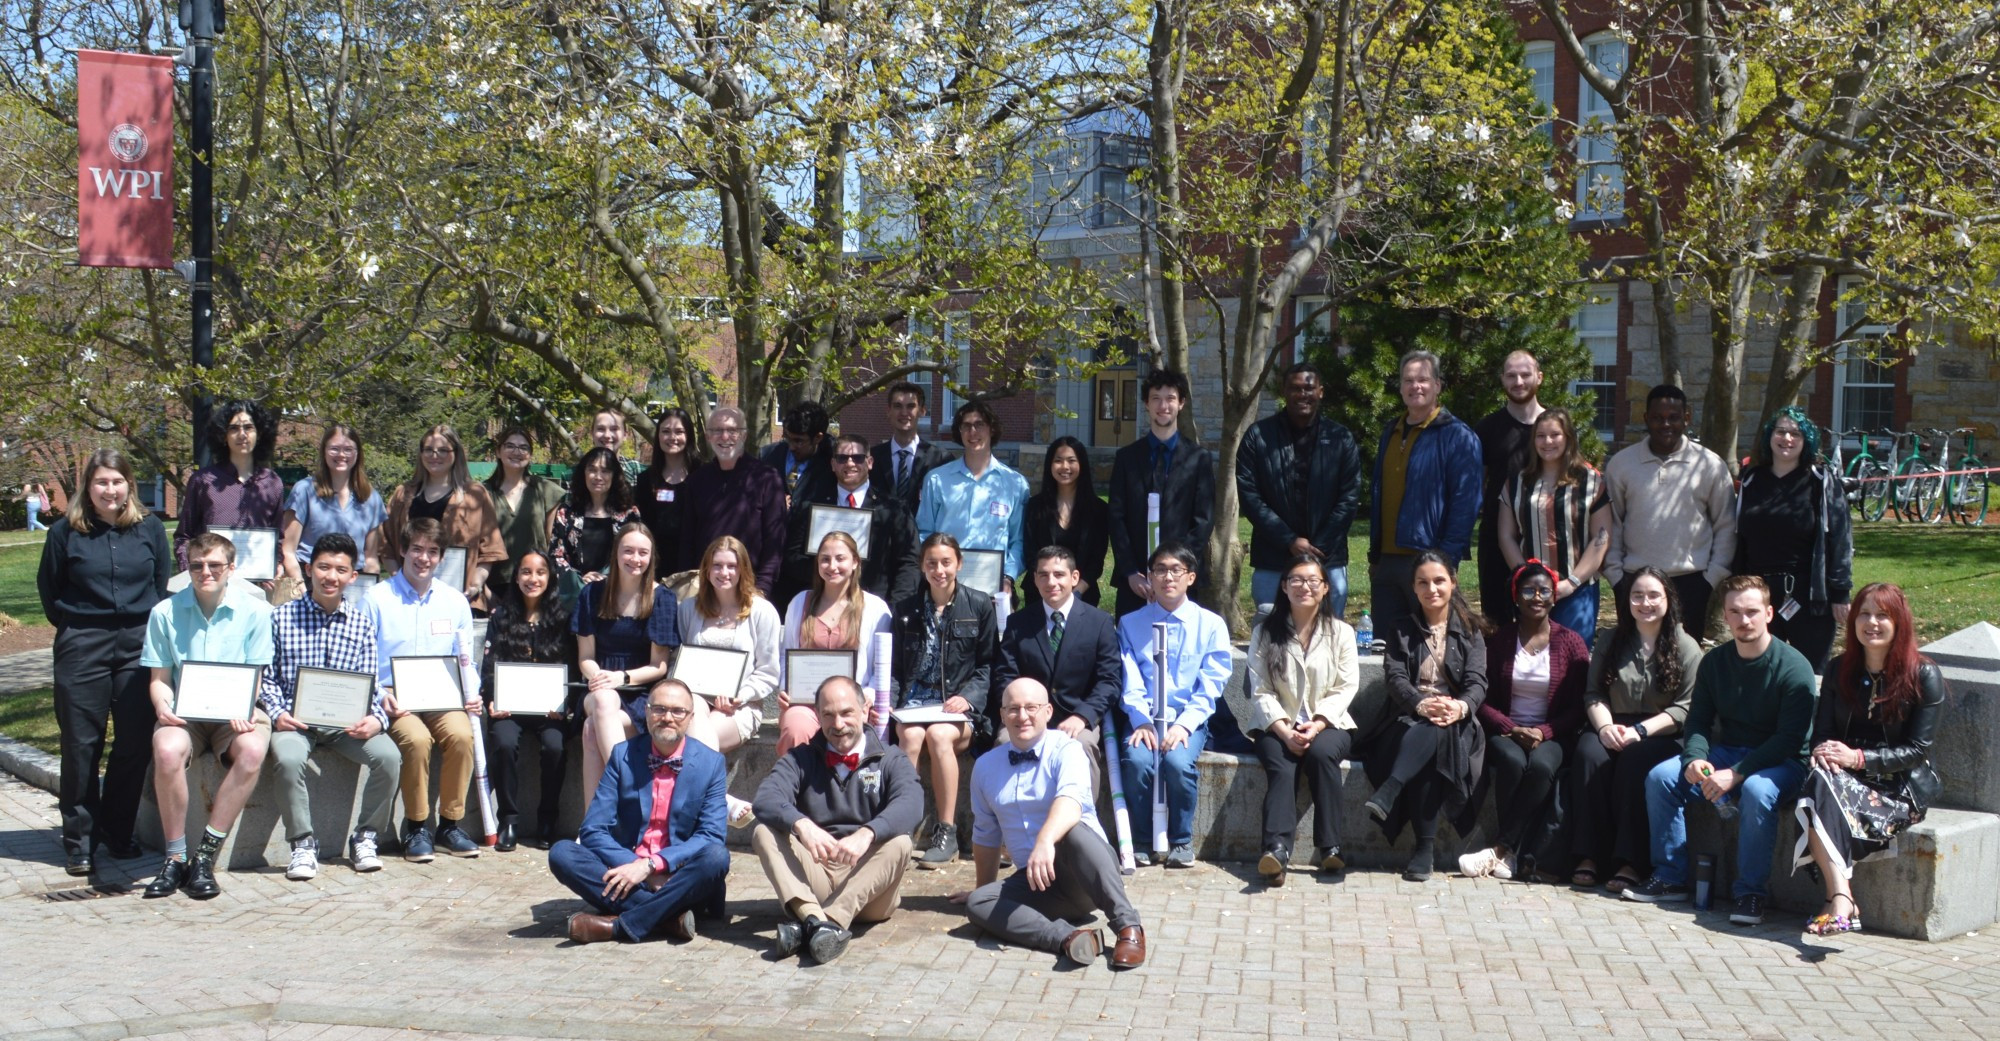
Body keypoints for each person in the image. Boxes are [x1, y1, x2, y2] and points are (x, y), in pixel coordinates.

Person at [1627, 576, 1816, 927]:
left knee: (1758, 791)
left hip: (1783, 762)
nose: (1744, 620)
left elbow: (1790, 740)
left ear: (1769, 613)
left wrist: (1738, 772)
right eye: (1735, 612)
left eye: (1752, 612)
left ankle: (1750, 893)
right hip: (1728, 752)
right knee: (1662, 778)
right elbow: (1697, 721)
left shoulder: (1794, 667)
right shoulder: (1715, 663)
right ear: (1725, 617)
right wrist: (1695, 758)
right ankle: (1670, 877)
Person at [37, 448, 172, 875]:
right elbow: (50, 590)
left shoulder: (150, 529)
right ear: (87, 487)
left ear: (128, 484)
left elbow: (159, 582)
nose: (109, 490)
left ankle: (117, 832)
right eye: (100, 482)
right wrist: (80, 627)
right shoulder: (64, 532)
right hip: (83, 643)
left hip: (137, 644)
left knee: (133, 744)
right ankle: (80, 839)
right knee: (81, 746)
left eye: (116, 481)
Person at [949, 678, 1146, 970]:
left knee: (1073, 832)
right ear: (1002, 715)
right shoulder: (986, 766)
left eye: (1031, 707)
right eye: (1013, 709)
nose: (1022, 715)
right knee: (977, 904)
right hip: (1036, 881)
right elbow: (986, 835)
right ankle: (1070, 938)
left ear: (1048, 712)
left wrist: (1045, 841)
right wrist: (985, 889)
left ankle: (1129, 927)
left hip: (1086, 875)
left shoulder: (1068, 750)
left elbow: (1070, 802)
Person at [1792, 583, 1944, 936]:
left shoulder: (1924, 675)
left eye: (1882, 615)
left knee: (1815, 794)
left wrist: (1857, 758)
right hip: (1841, 775)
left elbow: (1917, 750)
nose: (1871, 622)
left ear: (1899, 622)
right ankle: (1843, 897)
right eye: (1864, 613)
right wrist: (1823, 754)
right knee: (1818, 782)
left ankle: (1837, 900)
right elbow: (1822, 733)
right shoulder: (1837, 669)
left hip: (1898, 786)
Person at [137, 532, 275, 900]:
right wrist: (162, 706)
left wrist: (245, 708)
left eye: (215, 565)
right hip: (187, 713)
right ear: (187, 567)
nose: (205, 572)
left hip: (237, 712)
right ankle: (175, 857)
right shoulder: (164, 613)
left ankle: (204, 856)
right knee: (166, 750)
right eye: (197, 565)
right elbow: (160, 679)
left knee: (251, 751)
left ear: (231, 567)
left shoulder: (257, 612)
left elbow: (256, 676)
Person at [751, 676, 924, 964]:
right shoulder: (800, 759)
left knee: (901, 842)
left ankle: (819, 922)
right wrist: (802, 825)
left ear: (864, 711)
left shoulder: (891, 759)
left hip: (871, 888)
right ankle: (819, 924)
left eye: (846, 713)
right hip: (816, 873)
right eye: (828, 715)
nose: (838, 724)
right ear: (817, 716)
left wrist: (868, 833)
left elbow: (913, 804)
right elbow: (765, 799)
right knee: (764, 832)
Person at [260, 533, 401, 880]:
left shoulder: (361, 624)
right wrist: (278, 714)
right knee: (290, 759)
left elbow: (371, 682)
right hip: (296, 722)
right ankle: (303, 845)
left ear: (353, 576)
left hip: (346, 725)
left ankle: (366, 836)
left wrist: (377, 720)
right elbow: (267, 677)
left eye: (341, 569)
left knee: (389, 757)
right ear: (308, 570)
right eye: (323, 567)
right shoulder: (281, 619)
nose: (330, 576)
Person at [550, 679, 730, 945]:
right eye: (659, 709)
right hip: (628, 870)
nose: (667, 718)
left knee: (716, 857)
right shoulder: (623, 756)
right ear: (646, 713)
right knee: (562, 853)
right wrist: (634, 867)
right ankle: (668, 917)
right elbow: (593, 829)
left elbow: (711, 836)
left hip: (679, 875)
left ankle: (620, 927)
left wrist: (652, 867)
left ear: (690, 717)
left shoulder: (711, 763)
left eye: (677, 711)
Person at [1567, 567, 1701, 892]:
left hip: (1661, 732)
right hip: (1612, 722)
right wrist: (1604, 728)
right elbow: (1594, 692)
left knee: (1634, 761)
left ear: (1668, 599)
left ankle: (1630, 861)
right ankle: (1589, 854)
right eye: (1637, 595)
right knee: (1588, 754)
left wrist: (1640, 731)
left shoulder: (1686, 646)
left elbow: (1685, 707)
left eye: (1654, 595)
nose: (1645, 603)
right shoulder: (1611, 640)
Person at [1229, 553, 1360, 885]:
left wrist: (1317, 724)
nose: (1305, 586)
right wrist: (1284, 730)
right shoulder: (1265, 632)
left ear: (1326, 588)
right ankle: (1276, 850)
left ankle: (1331, 847)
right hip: (1276, 724)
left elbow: (1347, 686)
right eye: (1296, 580)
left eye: (1313, 580)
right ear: (1284, 587)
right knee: (1281, 763)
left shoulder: (1342, 632)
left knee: (1321, 754)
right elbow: (1259, 689)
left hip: (1330, 723)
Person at [1361, 551, 1490, 882]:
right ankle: (1424, 849)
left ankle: (1392, 790)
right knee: (1429, 736)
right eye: (1423, 583)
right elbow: (1395, 679)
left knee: (1439, 735)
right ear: (1414, 588)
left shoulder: (1471, 630)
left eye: (1439, 581)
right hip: (1406, 717)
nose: (1431, 589)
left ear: (1453, 582)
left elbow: (1477, 682)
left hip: (1457, 721)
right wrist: (1420, 704)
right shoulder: (1401, 628)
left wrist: (1458, 706)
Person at [1458, 562, 1588, 881]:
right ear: (1516, 597)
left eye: (1545, 591)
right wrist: (1510, 728)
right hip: (1507, 731)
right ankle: (1510, 855)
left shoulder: (1572, 643)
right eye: (1528, 591)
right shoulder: (1500, 641)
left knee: (1543, 766)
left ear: (1554, 598)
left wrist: (1544, 732)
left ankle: (1502, 850)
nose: (1537, 597)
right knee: (1512, 762)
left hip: (1554, 734)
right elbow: (1481, 697)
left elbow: (1580, 706)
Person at [369, 517, 485, 862]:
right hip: (394, 694)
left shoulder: (454, 601)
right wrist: (379, 694)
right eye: (417, 549)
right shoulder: (377, 598)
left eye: (432, 551)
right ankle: (417, 826)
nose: (424, 558)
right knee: (417, 741)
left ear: (441, 557)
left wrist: (471, 693)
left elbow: (467, 661)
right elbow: (362, 658)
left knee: (463, 736)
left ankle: (450, 824)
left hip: (442, 694)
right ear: (403, 550)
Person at [1117, 543, 1232, 868]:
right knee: (1138, 762)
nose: (1168, 577)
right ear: (1149, 577)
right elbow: (1129, 679)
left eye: (1176, 570)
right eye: (1160, 570)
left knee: (1179, 764)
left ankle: (1181, 840)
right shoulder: (1130, 623)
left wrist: (1184, 724)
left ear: (1190, 577)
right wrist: (1140, 720)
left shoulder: (1210, 625)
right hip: (1142, 718)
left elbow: (1212, 682)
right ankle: (1141, 840)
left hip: (1187, 719)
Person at [888, 533, 999, 869]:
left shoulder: (979, 605)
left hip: (956, 709)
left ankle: (946, 831)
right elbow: (895, 668)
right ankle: (902, 830)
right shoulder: (906, 610)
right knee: (909, 736)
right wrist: (890, 707)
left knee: (938, 734)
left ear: (959, 564)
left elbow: (989, 664)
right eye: (932, 563)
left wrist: (968, 697)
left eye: (946, 562)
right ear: (923, 566)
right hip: (914, 704)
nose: (939, 570)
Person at [1604, 385, 1737, 640]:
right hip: (1634, 581)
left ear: (1686, 418)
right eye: (1657, 417)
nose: (1666, 424)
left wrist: (1712, 577)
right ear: (1646, 419)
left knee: (1682, 665)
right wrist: (1615, 576)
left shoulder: (1709, 465)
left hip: (1691, 582)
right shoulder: (1621, 464)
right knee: (1635, 658)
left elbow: (1725, 525)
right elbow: (1613, 524)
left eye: (1673, 417)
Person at [1732, 407, 1853, 673]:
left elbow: (1841, 540)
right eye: (1781, 431)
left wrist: (1840, 592)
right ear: (1770, 436)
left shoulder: (1821, 481)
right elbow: (1739, 538)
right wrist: (1734, 587)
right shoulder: (1752, 479)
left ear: (1806, 440)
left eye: (1795, 433)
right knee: (1760, 668)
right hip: (1758, 593)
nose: (1787, 438)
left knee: (1808, 673)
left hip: (1809, 595)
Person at [1238, 362, 1363, 618]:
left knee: (1327, 639)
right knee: (1271, 641)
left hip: (1328, 558)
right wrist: (1289, 540)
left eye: (1309, 388)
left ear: (1320, 392)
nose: (1302, 394)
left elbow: (1349, 497)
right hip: (1273, 558)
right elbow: (1250, 496)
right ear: (1284, 391)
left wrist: (1318, 546)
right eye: (1295, 388)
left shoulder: (1340, 438)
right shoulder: (1259, 436)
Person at [1369, 351, 1483, 632]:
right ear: (1400, 387)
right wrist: (1374, 557)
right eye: (1408, 380)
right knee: (1386, 646)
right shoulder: (1390, 431)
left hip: (1428, 560)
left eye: (1423, 379)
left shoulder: (1457, 435)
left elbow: (1465, 504)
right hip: (1386, 562)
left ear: (1437, 385)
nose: (1415, 386)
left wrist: (1445, 561)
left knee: (1431, 644)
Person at [677, 535, 782, 830]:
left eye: (731, 566)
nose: (724, 573)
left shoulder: (762, 612)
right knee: (688, 719)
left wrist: (740, 695)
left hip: (741, 706)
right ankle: (720, 802)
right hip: (696, 699)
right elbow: (684, 663)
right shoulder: (688, 609)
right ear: (706, 570)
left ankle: (694, 819)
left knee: (690, 743)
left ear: (743, 570)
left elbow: (769, 672)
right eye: (717, 566)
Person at [993, 545, 1121, 784]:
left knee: (1081, 745)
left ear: (1074, 578)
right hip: (1025, 715)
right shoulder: (1018, 623)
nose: (1051, 582)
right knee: (1004, 743)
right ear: (1035, 579)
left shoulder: (1100, 623)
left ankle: (1082, 818)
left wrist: (1083, 716)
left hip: (1076, 717)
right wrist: (1022, 713)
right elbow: (1004, 676)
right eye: (1043, 575)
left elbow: (1109, 681)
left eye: (1059, 574)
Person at [576, 525, 679, 805]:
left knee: (591, 731)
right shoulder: (592, 594)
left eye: (643, 553)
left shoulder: (663, 599)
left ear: (651, 557)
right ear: (616, 554)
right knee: (604, 699)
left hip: (641, 691)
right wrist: (601, 678)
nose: (635, 559)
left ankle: (592, 826)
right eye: (628, 551)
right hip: (597, 687)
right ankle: (626, 783)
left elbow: (659, 666)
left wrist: (620, 677)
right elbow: (585, 657)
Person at [483, 549, 577, 851]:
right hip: (509, 708)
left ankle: (548, 819)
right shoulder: (502, 615)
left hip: (550, 711)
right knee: (504, 742)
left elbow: (572, 665)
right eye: (525, 571)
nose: (532, 578)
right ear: (516, 576)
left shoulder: (563, 618)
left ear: (550, 578)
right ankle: (509, 819)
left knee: (555, 746)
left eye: (540, 572)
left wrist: (566, 704)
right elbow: (489, 664)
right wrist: (491, 699)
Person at [773, 531, 893, 756]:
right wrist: (784, 688)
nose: (832, 566)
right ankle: (796, 788)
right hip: (807, 703)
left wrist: (868, 696)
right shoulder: (800, 603)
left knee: (846, 730)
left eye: (840, 558)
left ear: (855, 562)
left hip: (852, 704)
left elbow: (882, 667)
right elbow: (785, 654)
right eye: (825, 559)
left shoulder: (876, 609)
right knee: (795, 727)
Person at [1496, 408, 1610, 645]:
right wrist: (1525, 578)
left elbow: (1601, 537)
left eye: (1555, 435)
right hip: (1529, 593)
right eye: (1540, 435)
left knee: (1572, 661)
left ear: (1568, 438)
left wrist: (1571, 584)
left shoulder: (1591, 481)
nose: (1547, 441)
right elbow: (1506, 535)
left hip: (1577, 590)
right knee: (1532, 658)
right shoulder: (1517, 482)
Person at [1107, 368, 1216, 615]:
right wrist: (1130, 571)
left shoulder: (1199, 459)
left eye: (1170, 398)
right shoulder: (1126, 458)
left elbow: (1204, 520)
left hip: (1182, 581)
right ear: (1146, 403)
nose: (1163, 405)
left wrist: (1176, 570)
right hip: (1136, 583)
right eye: (1156, 398)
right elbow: (1116, 517)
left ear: (1181, 403)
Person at [777, 432, 921, 609]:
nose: (850, 463)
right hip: (821, 605)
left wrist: (895, 608)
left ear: (869, 463)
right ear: (832, 464)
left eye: (858, 458)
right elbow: (792, 558)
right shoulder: (810, 506)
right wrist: (829, 569)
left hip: (874, 607)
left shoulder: (894, 509)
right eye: (842, 458)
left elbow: (908, 563)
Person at [916, 400, 1029, 610]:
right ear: (959, 431)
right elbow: (924, 532)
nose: (972, 431)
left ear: (992, 429)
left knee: (994, 642)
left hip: (995, 589)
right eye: (966, 426)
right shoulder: (937, 480)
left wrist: (1008, 578)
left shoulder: (1015, 483)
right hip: (944, 586)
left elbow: (1018, 540)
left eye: (979, 424)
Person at [379, 425, 508, 610]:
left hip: (458, 598)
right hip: (405, 599)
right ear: (421, 453)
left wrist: (476, 583)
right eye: (429, 450)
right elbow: (386, 546)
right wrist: (397, 581)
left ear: (456, 453)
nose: (435, 455)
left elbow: (490, 550)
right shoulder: (403, 494)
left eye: (443, 450)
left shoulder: (475, 494)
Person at [678, 406, 788, 589]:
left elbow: (775, 540)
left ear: (744, 435)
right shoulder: (697, 480)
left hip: (751, 587)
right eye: (717, 430)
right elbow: (687, 540)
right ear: (707, 436)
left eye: (732, 430)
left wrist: (763, 587)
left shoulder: (766, 478)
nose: (725, 436)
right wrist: (688, 584)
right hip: (705, 588)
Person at [175, 400, 284, 579]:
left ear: (260, 433)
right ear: (223, 435)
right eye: (234, 428)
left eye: (249, 427)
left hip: (257, 588)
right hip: (210, 585)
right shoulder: (203, 481)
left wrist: (275, 563)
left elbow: (278, 536)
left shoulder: (272, 483)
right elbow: (184, 537)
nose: (242, 434)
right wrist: (192, 574)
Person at [1475, 352, 1547, 625]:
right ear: (1502, 380)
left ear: (1539, 377)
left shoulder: (1553, 429)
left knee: (1544, 623)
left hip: (1546, 538)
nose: (1518, 381)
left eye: (1526, 374)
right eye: (1511, 375)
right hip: (1495, 540)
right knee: (1497, 624)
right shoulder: (1487, 429)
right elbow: (1477, 485)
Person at [282, 424, 388, 590]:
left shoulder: (371, 498)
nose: (341, 454)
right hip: (309, 582)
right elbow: (288, 551)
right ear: (324, 451)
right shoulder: (304, 491)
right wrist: (301, 591)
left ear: (357, 453)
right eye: (334, 448)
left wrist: (367, 592)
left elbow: (371, 557)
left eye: (348, 449)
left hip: (353, 583)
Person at [1022, 436, 1110, 608]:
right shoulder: (1035, 506)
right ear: (1050, 465)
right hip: (1040, 593)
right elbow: (1030, 553)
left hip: (1083, 595)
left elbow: (1097, 559)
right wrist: (1049, 585)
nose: (1065, 467)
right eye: (1058, 461)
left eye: (1071, 461)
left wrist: (1076, 591)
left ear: (1082, 465)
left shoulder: (1098, 509)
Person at [547, 446, 643, 594]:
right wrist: (580, 579)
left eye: (605, 471)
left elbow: (635, 554)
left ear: (614, 475)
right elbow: (555, 555)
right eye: (592, 470)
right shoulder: (566, 512)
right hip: (576, 594)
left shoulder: (629, 514)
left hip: (617, 593)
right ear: (583, 473)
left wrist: (606, 577)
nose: (598, 476)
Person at [482, 426, 566, 594]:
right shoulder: (482, 493)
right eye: (510, 446)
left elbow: (553, 543)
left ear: (530, 454)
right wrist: (485, 594)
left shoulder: (545, 490)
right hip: (494, 585)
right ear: (498, 451)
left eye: (523, 447)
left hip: (535, 584)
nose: (517, 452)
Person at [634, 407, 702, 578]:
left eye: (679, 432)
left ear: (689, 436)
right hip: (654, 569)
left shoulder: (703, 476)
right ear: (658, 436)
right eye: (666, 431)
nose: (672, 437)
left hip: (694, 568)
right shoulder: (645, 480)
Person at [872, 381, 953, 513]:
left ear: (922, 411)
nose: (904, 413)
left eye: (911, 406)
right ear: (888, 411)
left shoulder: (940, 459)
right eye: (898, 406)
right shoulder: (872, 458)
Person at [760, 399, 836, 507]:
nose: (791, 447)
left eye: (798, 441)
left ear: (818, 438)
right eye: (787, 438)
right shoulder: (768, 456)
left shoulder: (833, 463)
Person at [588, 408, 645, 484]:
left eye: (614, 429)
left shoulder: (641, 473)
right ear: (592, 434)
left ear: (625, 435)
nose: (607, 435)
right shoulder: (572, 476)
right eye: (601, 429)